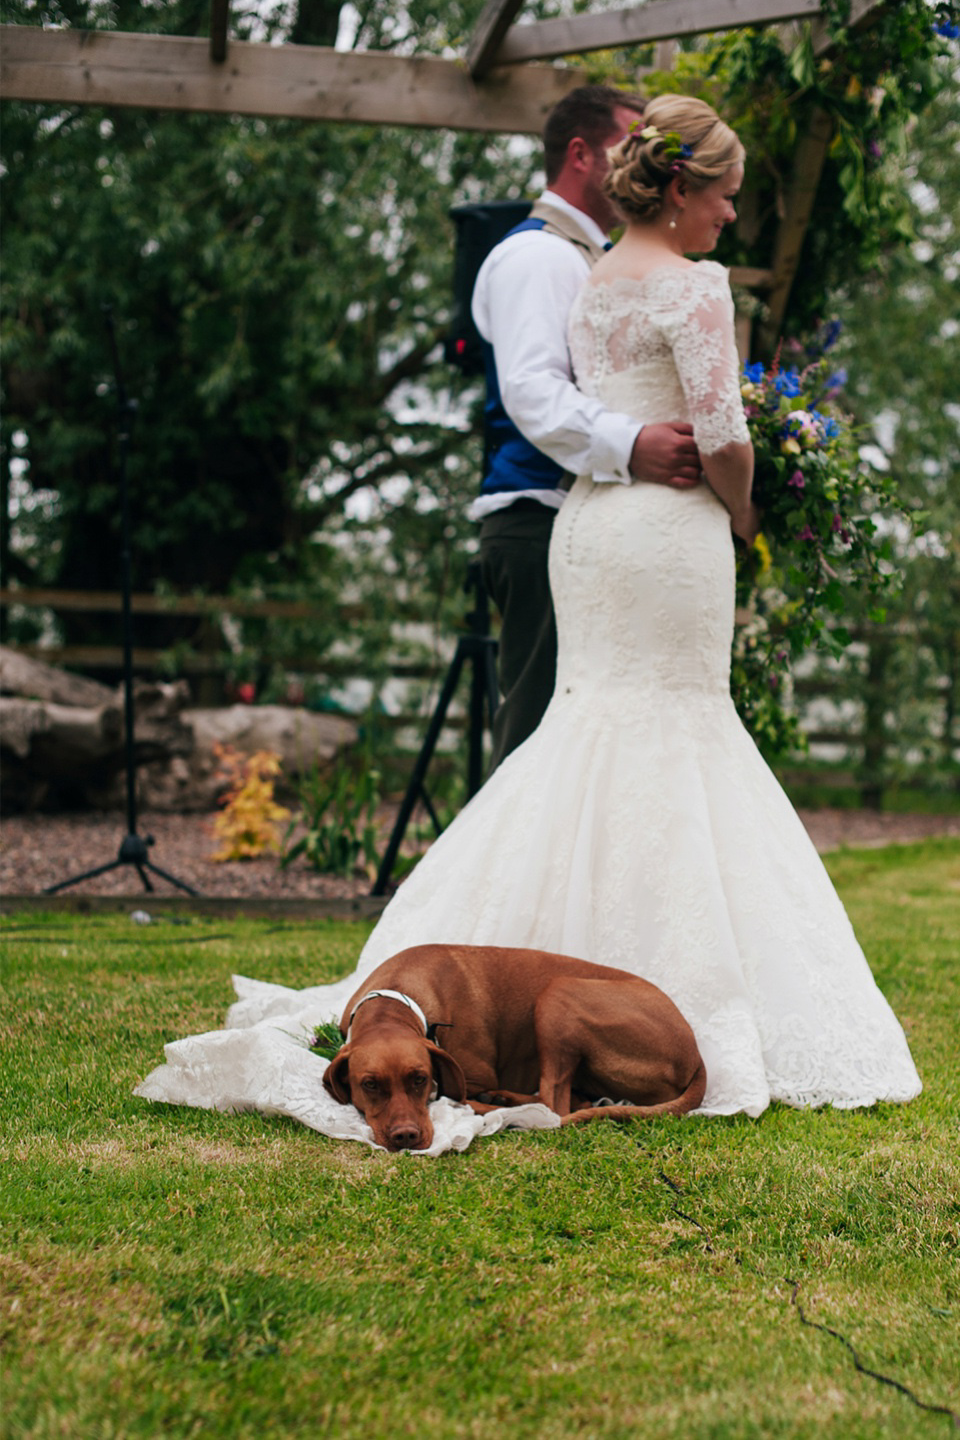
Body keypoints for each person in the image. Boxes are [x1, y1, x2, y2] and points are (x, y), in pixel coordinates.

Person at [138, 95, 920, 1141]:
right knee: (675, 725)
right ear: (684, 190)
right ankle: (648, 994)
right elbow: (724, 434)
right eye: (727, 196)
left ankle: (564, 970)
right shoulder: (692, 287)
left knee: (586, 724)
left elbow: (576, 399)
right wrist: (743, 506)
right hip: (668, 529)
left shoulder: (590, 280)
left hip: (593, 527)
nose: (733, 217)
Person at [472, 85, 703, 770]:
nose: (646, 162)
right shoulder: (538, 257)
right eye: (629, 145)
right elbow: (532, 392)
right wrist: (633, 445)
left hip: (578, 526)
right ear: (581, 153)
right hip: (538, 521)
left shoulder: (589, 258)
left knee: (579, 751)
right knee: (534, 751)